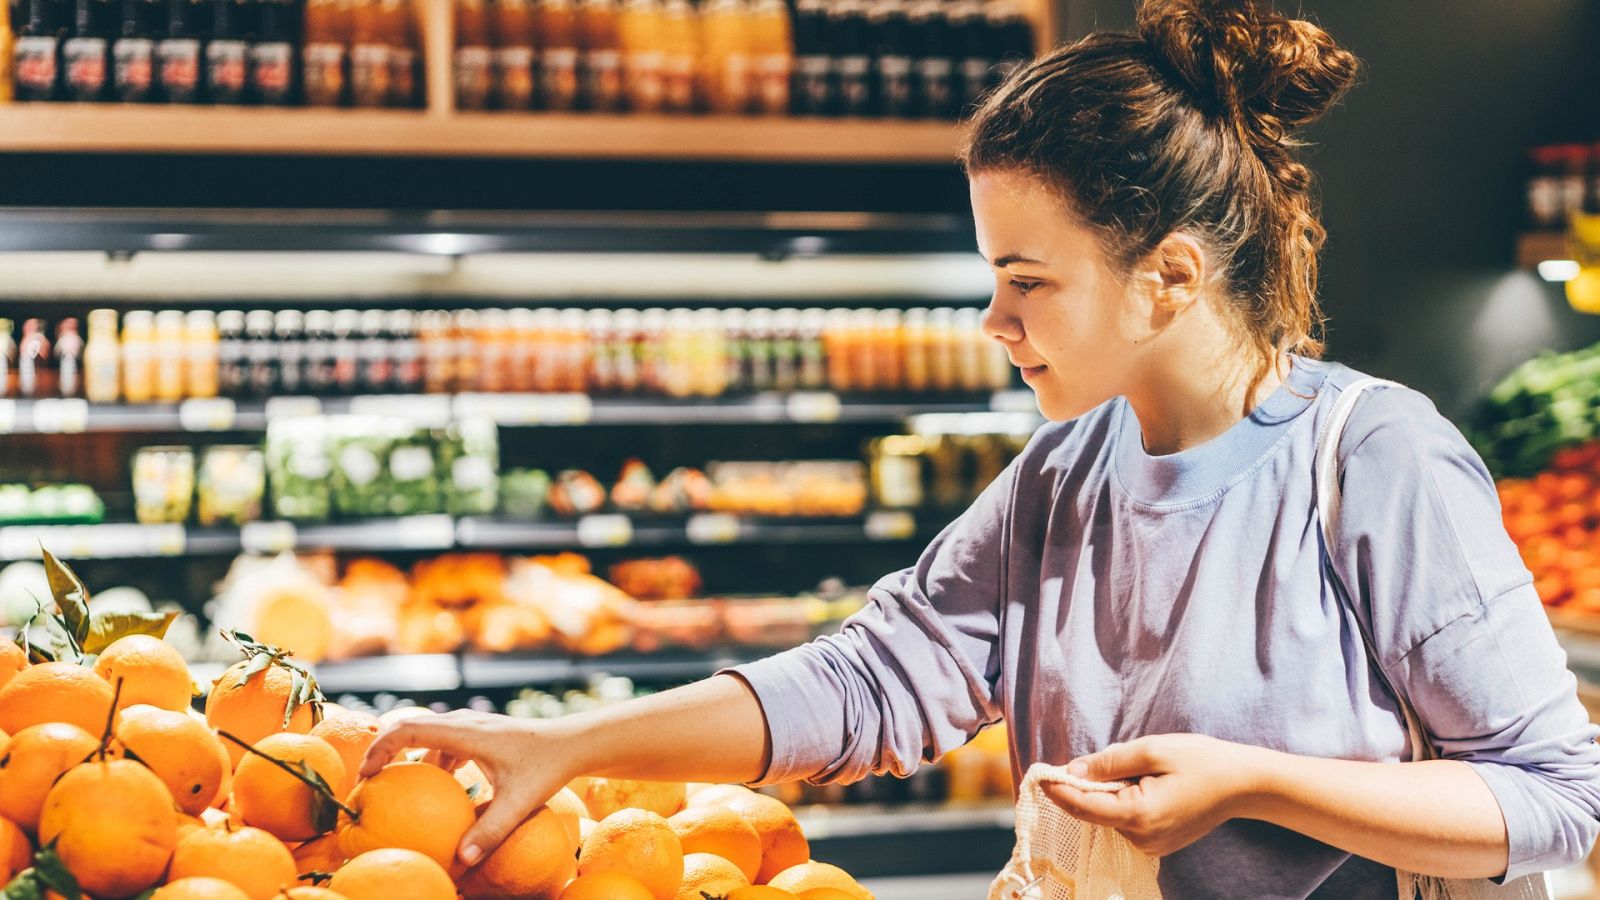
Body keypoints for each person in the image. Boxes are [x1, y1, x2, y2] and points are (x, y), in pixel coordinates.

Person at [361, 0, 1600, 894]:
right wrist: (573, 745)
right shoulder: (1061, 483)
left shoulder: (1372, 459)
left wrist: (1249, 782)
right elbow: (865, 684)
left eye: (1026, 281)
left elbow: (1555, 798)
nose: (993, 321)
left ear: (1169, 276)